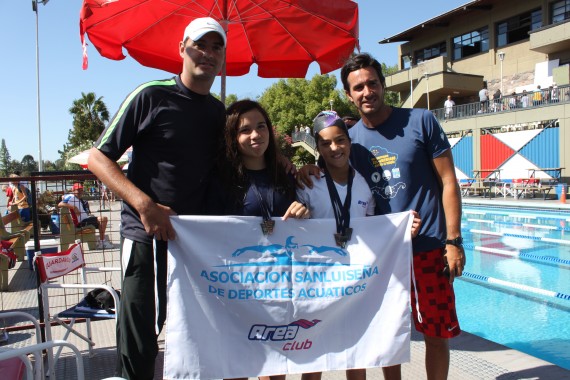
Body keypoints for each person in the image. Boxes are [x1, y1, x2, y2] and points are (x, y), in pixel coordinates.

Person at [299, 53, 464, 380]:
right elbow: (335, 173)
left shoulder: (420, 121)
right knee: (390, 333)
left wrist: (454, 240)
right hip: (381, 255)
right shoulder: (351, 140)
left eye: (372, 83)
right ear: (349, 95)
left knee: (436, 332)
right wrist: (309, 168)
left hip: (429, 247)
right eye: (358, 87)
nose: (366, 92)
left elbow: (448, 180)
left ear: (383, 84)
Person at [87, 17, 227, 379]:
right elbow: (97, 158)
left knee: (194, 336)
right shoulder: (151, 95)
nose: (208, 53)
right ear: (182, 48)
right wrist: (145, 205)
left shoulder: (217, 113)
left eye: (217, 47)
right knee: (139, 340)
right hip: (144, 238)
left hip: (192, 246)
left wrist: (293, 170)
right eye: (201, 44)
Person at [297, 111, 421, 380]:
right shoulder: (308, 182)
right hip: (317, 282)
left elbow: (375, 230)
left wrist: (401, 230)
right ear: (317, 147)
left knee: (356, 354)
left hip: (354, 280)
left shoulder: (363, 185)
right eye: (326, 143)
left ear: (349, 142)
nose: (334, 148)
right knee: (313, 357)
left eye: (340, 140)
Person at [58, 182, 112, 249]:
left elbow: (63, 197)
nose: (80, 192)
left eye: (81, 190)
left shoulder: (75, 198)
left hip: (85, 220)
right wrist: (74, 208)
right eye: (78, 190)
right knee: (103, 219)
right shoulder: (71, 197)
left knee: (102, 220)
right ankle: (102, 242)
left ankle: (101, 240)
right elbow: (60, 204)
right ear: (73, 190)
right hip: (82, 222)